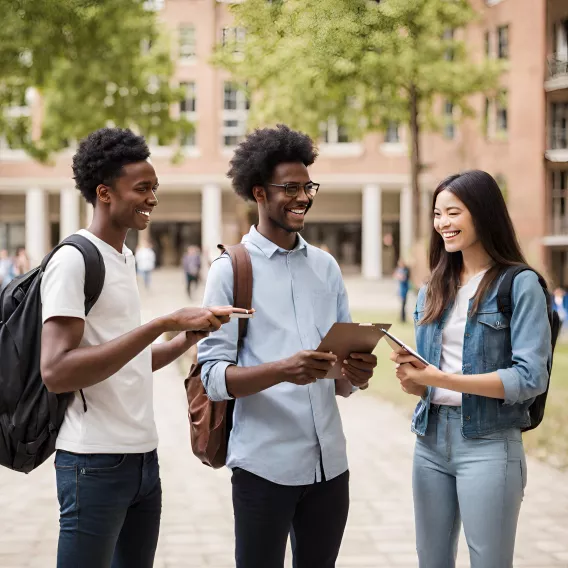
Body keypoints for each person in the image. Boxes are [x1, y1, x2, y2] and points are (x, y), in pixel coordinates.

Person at [39, 127, 234, 568]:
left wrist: (187, 336)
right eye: (142, 188)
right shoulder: (75, 259)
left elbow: (128, 360)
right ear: (104, 193)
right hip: (92, 462)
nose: (152, 198)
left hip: (143, 458)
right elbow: (56, 370)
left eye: (155, 188)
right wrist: (162, 322)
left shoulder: (122, 258)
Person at [198, 124, 378, 568]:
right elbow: (212, 378)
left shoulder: (326, 267)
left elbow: (339, 374)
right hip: (263, 468)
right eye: (290, 188)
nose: (303, 197)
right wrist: (284, 369)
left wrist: (355, 374)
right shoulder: (229, 271)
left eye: (308, 186)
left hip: (330, 466)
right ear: (259, 192)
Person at [390, 170, 551, 568]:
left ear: (482, 213)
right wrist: (417, 381)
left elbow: (530, 377)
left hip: (489, 444)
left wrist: (440, 380)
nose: (443, 223)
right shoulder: (433, 288)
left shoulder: (520, 284)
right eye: (437, 213)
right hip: (429, 442)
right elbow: (429, 376)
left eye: (453, 212)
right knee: (432, 561)